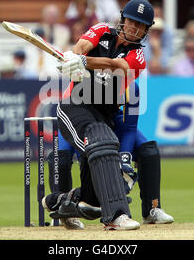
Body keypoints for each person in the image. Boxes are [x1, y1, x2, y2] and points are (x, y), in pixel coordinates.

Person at [42, 0, 155, 230]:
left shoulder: (138, 56)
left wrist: (84, 61)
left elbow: (117, 66)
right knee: (100, 145)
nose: (135, 28)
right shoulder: (102, 30)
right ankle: (117, 216)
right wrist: (74, 58)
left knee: (94, 194)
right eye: (132, 21)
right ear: (123, 19)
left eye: (141, 25)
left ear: (146, 30)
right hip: (76, 105)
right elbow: (82, 45)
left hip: (104, 113)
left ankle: (60, 200)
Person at [48, 81, 174, 230]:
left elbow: (129, 128)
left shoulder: (131, 87)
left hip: (110, 117)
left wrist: (124, 161)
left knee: (148, 151)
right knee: (61, 158)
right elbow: (81, 136)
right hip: (78, 118)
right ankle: (66, 212)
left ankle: (152, 209)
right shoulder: (86, 81)